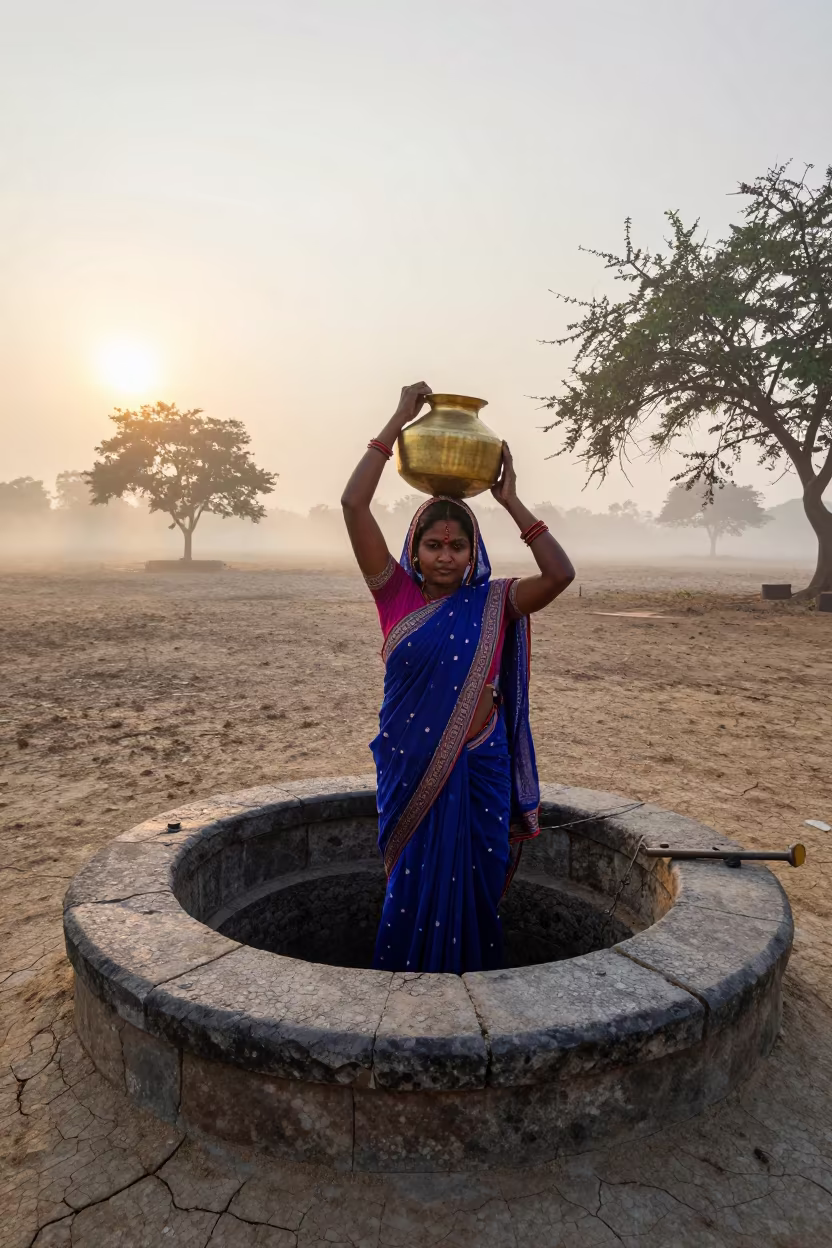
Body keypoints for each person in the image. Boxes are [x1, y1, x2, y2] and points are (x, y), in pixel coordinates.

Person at [341, 382, 574, 973]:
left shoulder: (497, 601)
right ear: (413, 551)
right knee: (412, 884)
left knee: (478, 874)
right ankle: (403, 984)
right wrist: (397, 419)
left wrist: (510, 500)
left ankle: (476, 976)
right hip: (411, 763)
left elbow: (560, 574)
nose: (445, 556)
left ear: (473, 554)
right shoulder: (392, 594)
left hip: (481, 763)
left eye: (457, 546)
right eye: (433, 545)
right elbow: (353, 506)